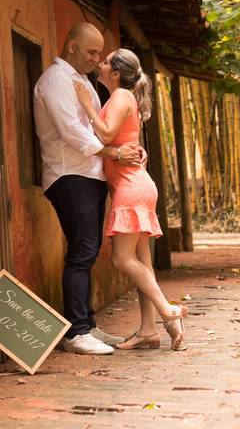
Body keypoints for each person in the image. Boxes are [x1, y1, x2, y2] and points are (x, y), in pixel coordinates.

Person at [33, 22, 145, 355]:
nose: (97, 60)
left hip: (90, 175)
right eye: (91, 52)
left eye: (100, 54)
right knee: (82, 250)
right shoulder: (55, 80)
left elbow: (102, 128)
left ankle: (88, 325)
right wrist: (113, 152)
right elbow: (71, 131)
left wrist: (127, 149)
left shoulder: (82, 81)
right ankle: (76, 332)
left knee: (90, 250)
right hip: (69, 176)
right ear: (71, 46)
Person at [73, 48, 188, 351]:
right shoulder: (122, 97)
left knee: (121, 258)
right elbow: (127, 139)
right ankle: (149, 330)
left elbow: (107, 135)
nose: (100, 63)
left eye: (107, 61)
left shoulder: (122, 96)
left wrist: (86, 105)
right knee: (142, 262)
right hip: (137, 184)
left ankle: (168, 311)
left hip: (131, 187)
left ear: (117, 73)